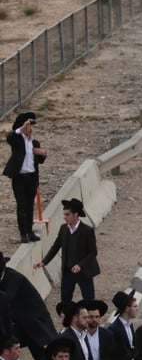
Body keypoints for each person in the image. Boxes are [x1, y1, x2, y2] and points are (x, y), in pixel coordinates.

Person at [35, 198, 99, 302]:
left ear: (76, 215)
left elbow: (93, 252)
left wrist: (80, 265)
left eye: (68, 215)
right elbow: (56, 246)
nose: (65, 217)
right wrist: (44, 262)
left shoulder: (87, 231)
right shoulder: (63, 229)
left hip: (84, 272)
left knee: (89, 300)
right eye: (64, 214)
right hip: (68, 271)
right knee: (65, 300)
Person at [5, 112, 47, 243]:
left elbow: (40, 161)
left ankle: (30, 231)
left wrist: (43, 153)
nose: (31, 129)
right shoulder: (17, 140)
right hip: (19, 178)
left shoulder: (34, 142)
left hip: (31, 178)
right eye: (28, 126)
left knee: (29, 206)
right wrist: (21, 129)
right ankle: (23, 233)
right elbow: (10, 137)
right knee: (21, 205)